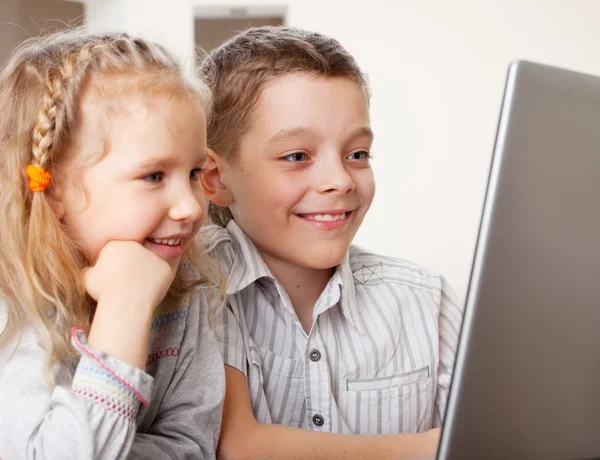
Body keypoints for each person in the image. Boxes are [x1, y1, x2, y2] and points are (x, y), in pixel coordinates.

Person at [199, 26, 464, 459]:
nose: (339, 180)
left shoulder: (425, 300)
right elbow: (236, 447)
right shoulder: (200, 287)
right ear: (216, 179)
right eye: (297, 157)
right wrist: (437, 449)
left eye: (356, 154)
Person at [0, 29, 224, 459]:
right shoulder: (16, 305)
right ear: (54, 189)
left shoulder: (184, 283)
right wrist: (125, 309)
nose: (191, 207)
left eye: (194, 173)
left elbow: (192, 444)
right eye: (153, 176)